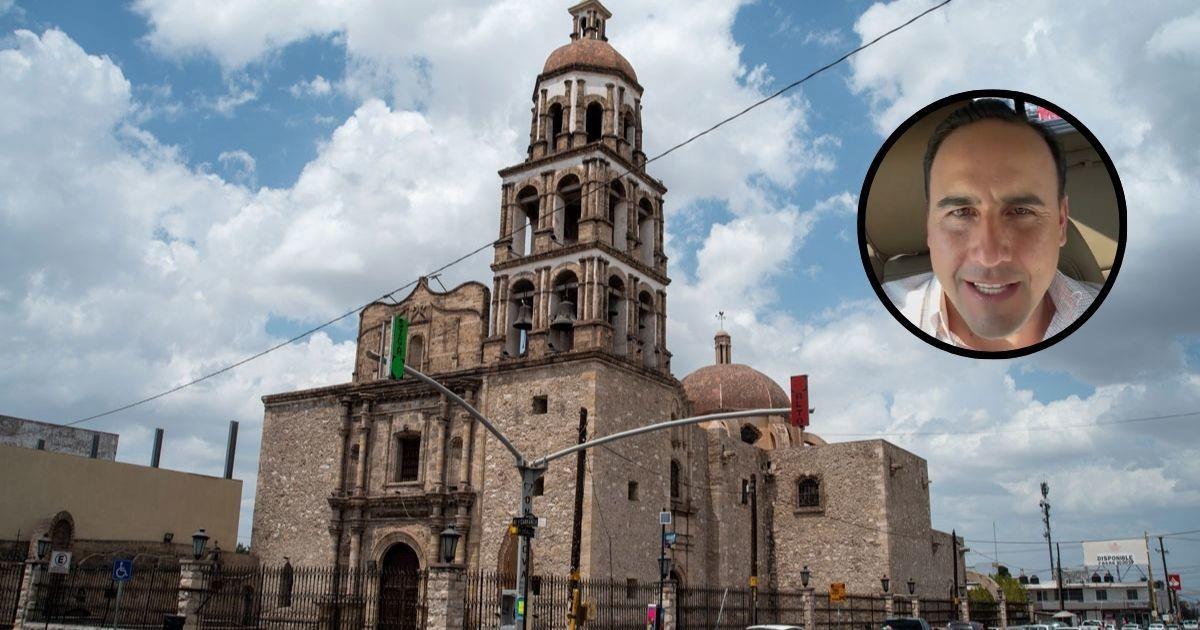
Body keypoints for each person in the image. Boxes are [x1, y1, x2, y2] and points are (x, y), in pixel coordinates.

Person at [883, 99, 1101, 352]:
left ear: (1061, 222)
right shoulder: (881, 323)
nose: (989, 256)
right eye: (961, 212)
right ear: (929, 226)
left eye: (1021, 211)